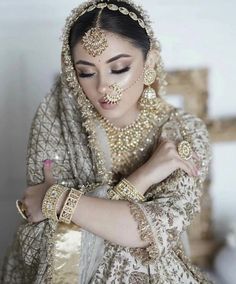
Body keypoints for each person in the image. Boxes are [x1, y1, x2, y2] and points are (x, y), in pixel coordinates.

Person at [1, 0, 213, 283]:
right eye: (86, 72)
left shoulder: (183, 134)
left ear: (148, 62)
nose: (102, 87)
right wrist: (143, 177)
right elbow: (47, 235)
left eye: (119, 68)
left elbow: (148, 232)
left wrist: (56, 198)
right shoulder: (57, 125)